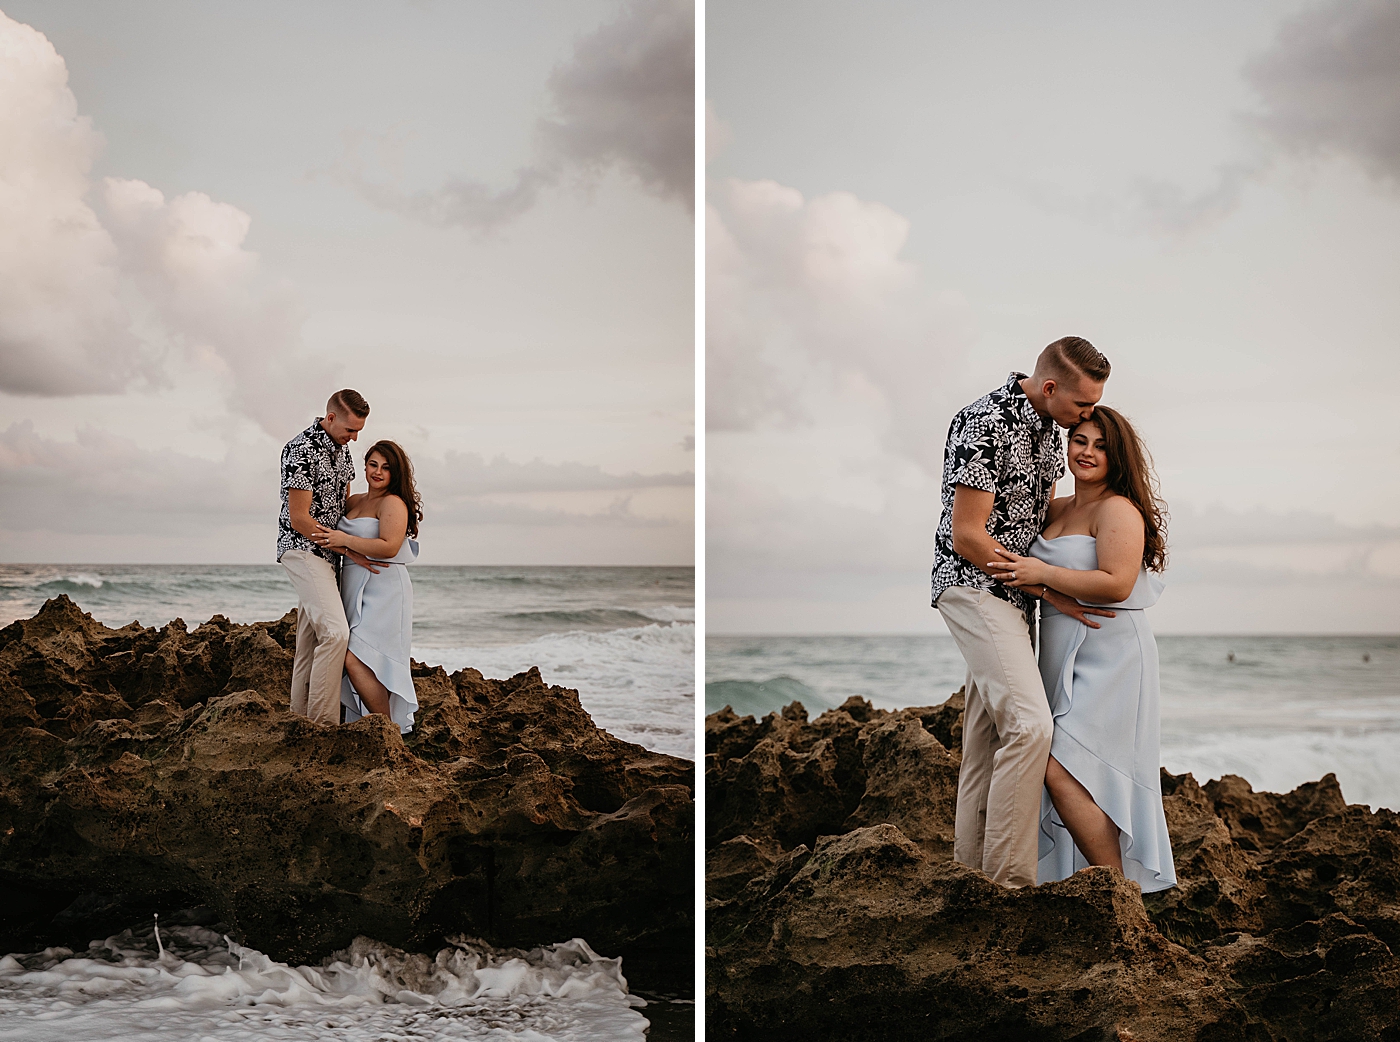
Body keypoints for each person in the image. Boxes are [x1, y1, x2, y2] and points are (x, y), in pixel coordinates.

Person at [931, 336, 1115, 888]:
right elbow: (967, 536)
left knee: (987, 742)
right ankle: (1011, 886)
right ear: (1051, 387)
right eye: (1082, 405)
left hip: (1013, 597)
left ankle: (970, 880)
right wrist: (1048, 589)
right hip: (973, 587)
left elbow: (1033, 525)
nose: (1087, 415)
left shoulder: (1045, 429)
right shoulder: (983, 422)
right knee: (1031, 728)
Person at [988, 407, 1176, 892]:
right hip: (1061, 647)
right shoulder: (1057, 507)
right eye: (1079, 441)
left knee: (1063, 766)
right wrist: (1046, 591)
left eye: (1100, 445)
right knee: (1073, 769)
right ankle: (1105, 890)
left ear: (1118, 457)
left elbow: (1116, 583)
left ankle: (1116, 889)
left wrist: (1043, 575)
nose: (1086, 452)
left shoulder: (1118, 509)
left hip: (1112, 654)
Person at [277, 389, 378, 725]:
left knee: (310, 643)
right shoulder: (300, 449)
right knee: (336, 634)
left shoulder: (342, 453)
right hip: (303, 550)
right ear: (330, 417)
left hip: (330, 556)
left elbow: (344, 507)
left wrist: (385, 502)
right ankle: (323, 726)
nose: (354, 438)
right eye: (350, 430)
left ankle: (299, 720)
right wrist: (347, 547)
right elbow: (300, 519)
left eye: (358, 432)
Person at [310, 440, 423, 734]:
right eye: (373, 464)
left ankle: (387, 730)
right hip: (354, 583)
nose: (378, 472)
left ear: (394, 473)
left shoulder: (393, 503)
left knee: (357, 657)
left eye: (385, 468)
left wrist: (343, 540)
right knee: (355, 656)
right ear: (364, 466)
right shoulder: (355, 500)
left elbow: (389, 546)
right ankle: (382, 729)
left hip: (385, 588)